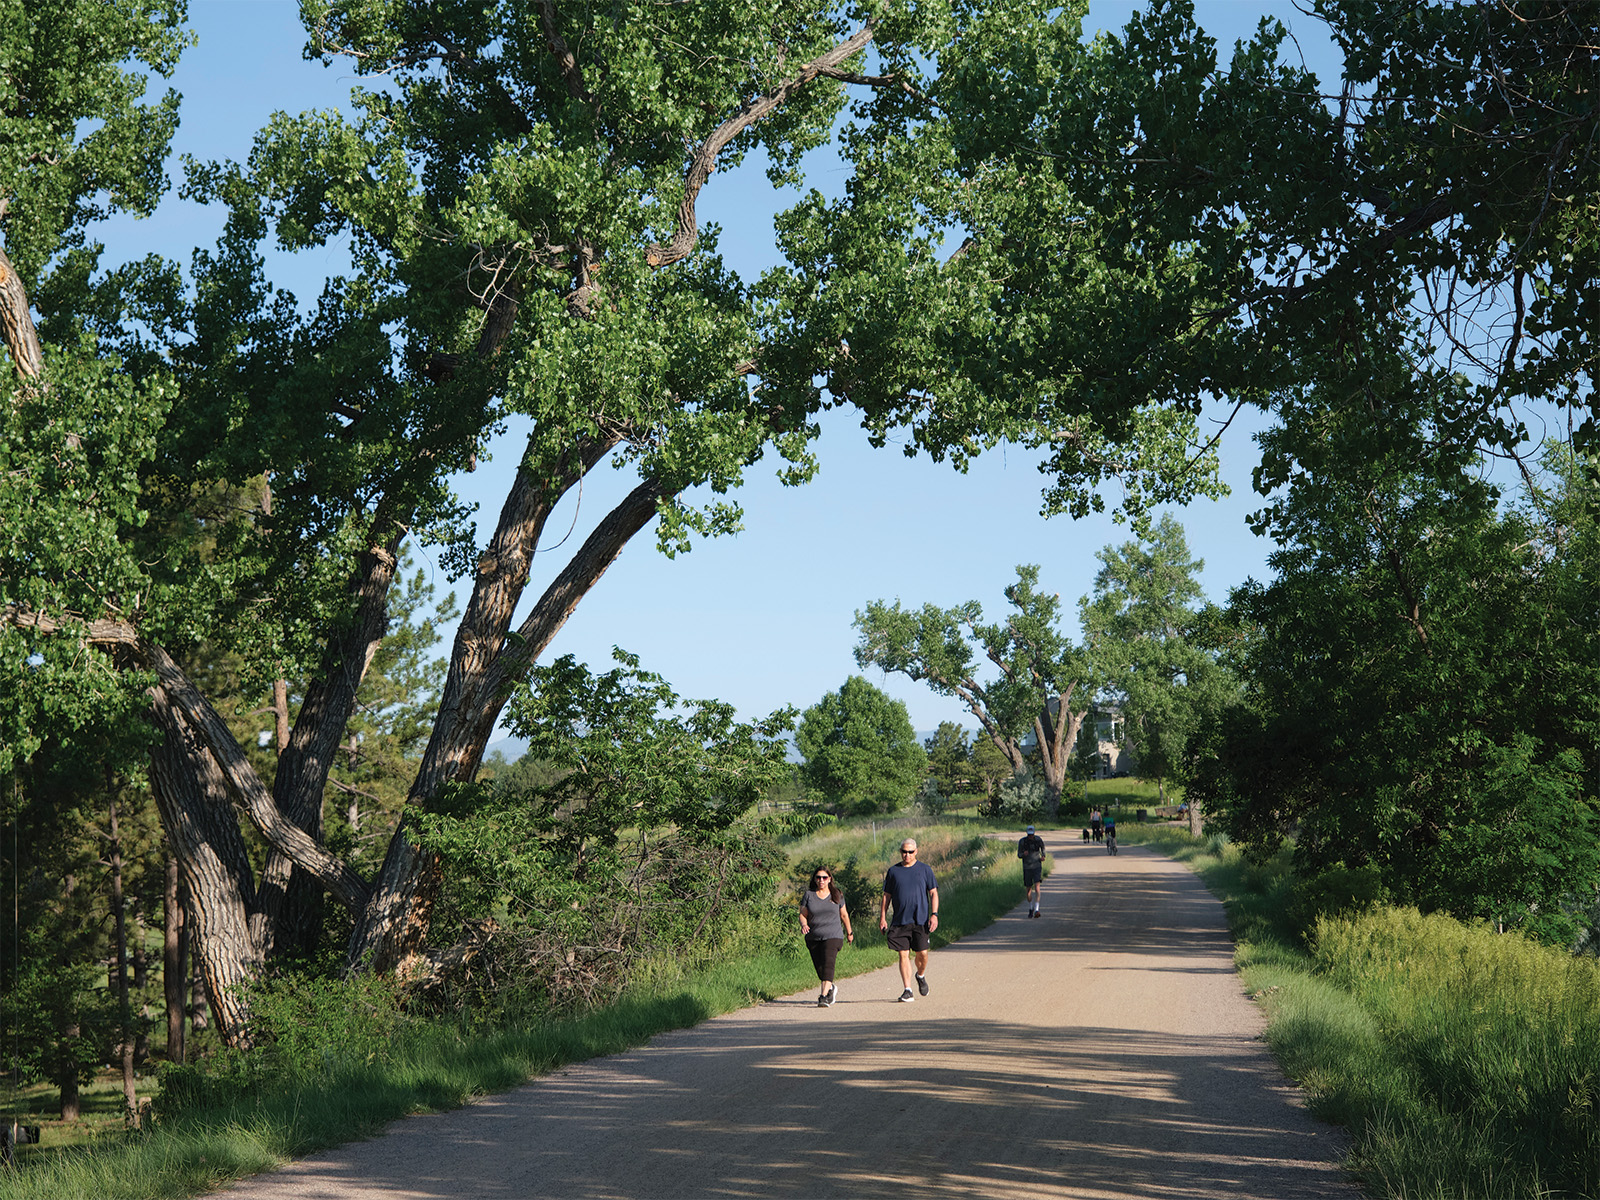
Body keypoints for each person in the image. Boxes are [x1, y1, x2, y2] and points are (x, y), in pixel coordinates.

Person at [879, 839, 938, 1002]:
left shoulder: (925, 870)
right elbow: (886, 896)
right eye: (904, 852)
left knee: (923, 954)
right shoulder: (893, 871)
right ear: (900, 852)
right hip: (900, 921)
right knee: (903, 954)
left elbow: (933, 893)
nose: (907, 855)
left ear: (916, 852)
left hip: (920, 920)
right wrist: (883, 918)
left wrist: (934, 915)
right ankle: (907, 989)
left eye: (910, 852)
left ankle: (920, 975)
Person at [799, 866, 853, 1007]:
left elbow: (844, 915)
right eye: (818, 877)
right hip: (813, 937)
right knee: (820, 969)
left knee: (828, 964)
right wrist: (804, 925)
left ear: (829, 879)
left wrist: (849, 932)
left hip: (833, 935)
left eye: (824, 877)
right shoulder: (809, 895)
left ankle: (823, 996)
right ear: (815, 879)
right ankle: (831, 988)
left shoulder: (837, 895)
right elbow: (803, 914)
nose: (821, 880)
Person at [1017, 824, 1046, 917]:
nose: (1030, 836)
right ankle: (1030, 908)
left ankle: (1037, 909)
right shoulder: (1022, 841)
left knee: (1037, 887)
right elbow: (1019, 854)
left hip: (1037, 866)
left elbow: (1043, 848)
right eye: (1029, 835)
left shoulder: (1038, 840)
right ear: (1027, 834)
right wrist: (1023, 854)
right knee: (1028, 889)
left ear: (1034, 833)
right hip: (1027, 867)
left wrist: (1043, 856)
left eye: (1032, 834)